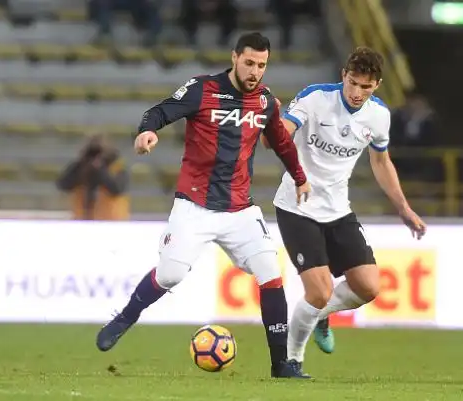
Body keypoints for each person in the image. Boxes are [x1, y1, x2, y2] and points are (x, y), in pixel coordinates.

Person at [95, 32, 311, 379]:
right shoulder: (202, 89)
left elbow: (282, 142)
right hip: (194, 205)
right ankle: (124, 318)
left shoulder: (266, 102)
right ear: (235, 58)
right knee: (171, 274)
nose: (255, 71)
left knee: (271, 274)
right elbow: (160, 111)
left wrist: (300, 176)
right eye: (249, 63)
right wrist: (147, 131)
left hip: (240, 209)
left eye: (262, 65)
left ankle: (280, 365)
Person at [262, 47, 427, 368]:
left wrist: (404, 208)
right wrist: (274, 130)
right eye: (352, 83)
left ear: (376, 85)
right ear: (343, 76)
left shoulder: (379, 116)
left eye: (365, 87)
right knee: (320, 290)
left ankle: (320, 316)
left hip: (338, 210)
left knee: (369, 287)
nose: (356, 92)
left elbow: (381, 162)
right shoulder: (315, 98)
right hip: (298, 207)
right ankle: (291, 361)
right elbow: (282, 136)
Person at [56, 134, 130, 221]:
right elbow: (63, 184)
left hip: (112, 222)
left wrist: (101, 170)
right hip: (83, 221)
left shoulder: (117, 168)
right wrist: (82, 170)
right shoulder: (79, 167)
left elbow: (117, 189)